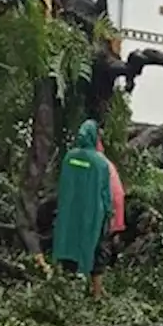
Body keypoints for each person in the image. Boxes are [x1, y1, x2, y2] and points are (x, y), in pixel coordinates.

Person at [52, 120, 112, 298]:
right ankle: (96, 294)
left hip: (69, 213)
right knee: (96, 250)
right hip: (92, 215)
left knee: (67, 246)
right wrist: (109, 214)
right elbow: (105, 192)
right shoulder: (100, 162)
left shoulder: (69, 157)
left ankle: (64, 292)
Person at [94, 137, 127, 296]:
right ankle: (98, 289)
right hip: (113, 215)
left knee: (100, 251)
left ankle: (97, 292)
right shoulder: (105, 162)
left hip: (105, 215)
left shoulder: (97, 163)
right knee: (102, 250)